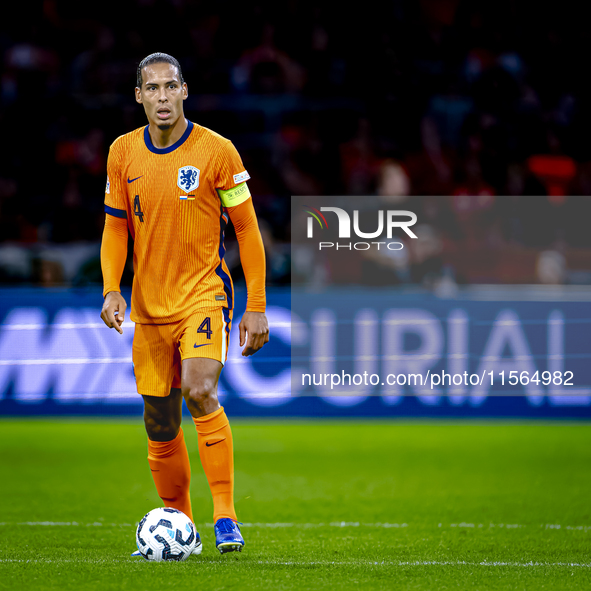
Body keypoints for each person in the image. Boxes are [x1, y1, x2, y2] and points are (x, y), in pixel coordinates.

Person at [100, 52, 269, 555]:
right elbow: (115, 226)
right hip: (150, 306)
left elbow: (247, 230)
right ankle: (182, 524)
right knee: (159, 420)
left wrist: (255, 305)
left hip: (203, 295)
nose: (161, 97)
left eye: (169, 87)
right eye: (151, 89)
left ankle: (224, 517)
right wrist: (112, 287)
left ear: (185, 90)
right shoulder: (122, 153)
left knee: (199, 391)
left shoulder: (217, 151)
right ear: (138, 97)